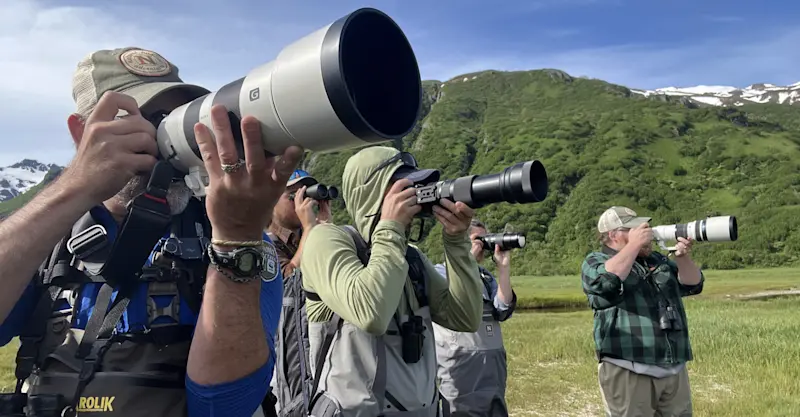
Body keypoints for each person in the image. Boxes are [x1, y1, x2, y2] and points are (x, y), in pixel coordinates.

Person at [0, 47, 302, 417]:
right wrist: (74, 188)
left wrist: (237, 238)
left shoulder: (232, 238)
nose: (162, 141)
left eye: (176, 119)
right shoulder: (47, 243)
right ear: (82, 133)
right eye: (147, 118)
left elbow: (223, 405)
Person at [299, 147, 484, 417]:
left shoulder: (410, 259)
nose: (413, 199)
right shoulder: (325, 239)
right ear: (370, 194)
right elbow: (371, 314)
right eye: (401, 189)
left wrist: (456, 242)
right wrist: (390, 227)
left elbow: (466, 318)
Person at [581, 206, 704, 417]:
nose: (645, 231)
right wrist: (634, 246)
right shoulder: (596, 261)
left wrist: (682, 257)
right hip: (628, 367)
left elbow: (694, 284)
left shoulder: (658, 260)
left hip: (673, 367)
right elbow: (605, 283)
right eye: (635, 229)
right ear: (613, 234)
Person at [432, 219, 517, 416]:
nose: (482, 246)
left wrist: (503, 268)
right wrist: (466, 260)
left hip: (492, 365)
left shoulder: (485, 277)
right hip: (460, 365)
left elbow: (503, 309)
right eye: (477, 240)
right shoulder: (440, 273)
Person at [265, 169, 330, 416]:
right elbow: (288, 281)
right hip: (285, 373)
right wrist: (312, 229)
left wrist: (325, 228)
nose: (302, 202)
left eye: (305, 194)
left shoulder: (307, 236)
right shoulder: (262, 243)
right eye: (292, 196)